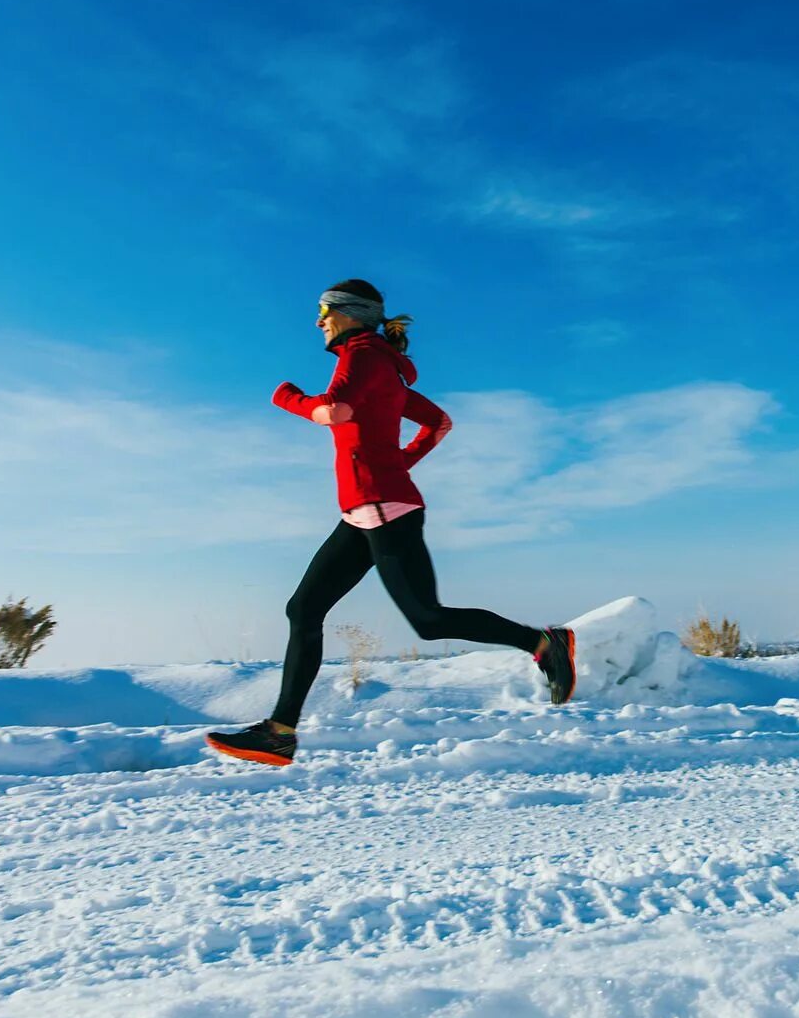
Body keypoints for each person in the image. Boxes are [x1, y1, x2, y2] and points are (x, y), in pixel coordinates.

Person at [206, 279, 576, 766]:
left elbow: (332, 410)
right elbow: (438, 422)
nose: (318, 321)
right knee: (303, 609)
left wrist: (287, 397)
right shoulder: (382, 367)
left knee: (428, 620)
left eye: (323, 311)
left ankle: (543, 642)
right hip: (364, 512)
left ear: (350, 314)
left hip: (385, 511)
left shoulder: (361, 354)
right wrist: (399, 462)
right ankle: (279, 732)